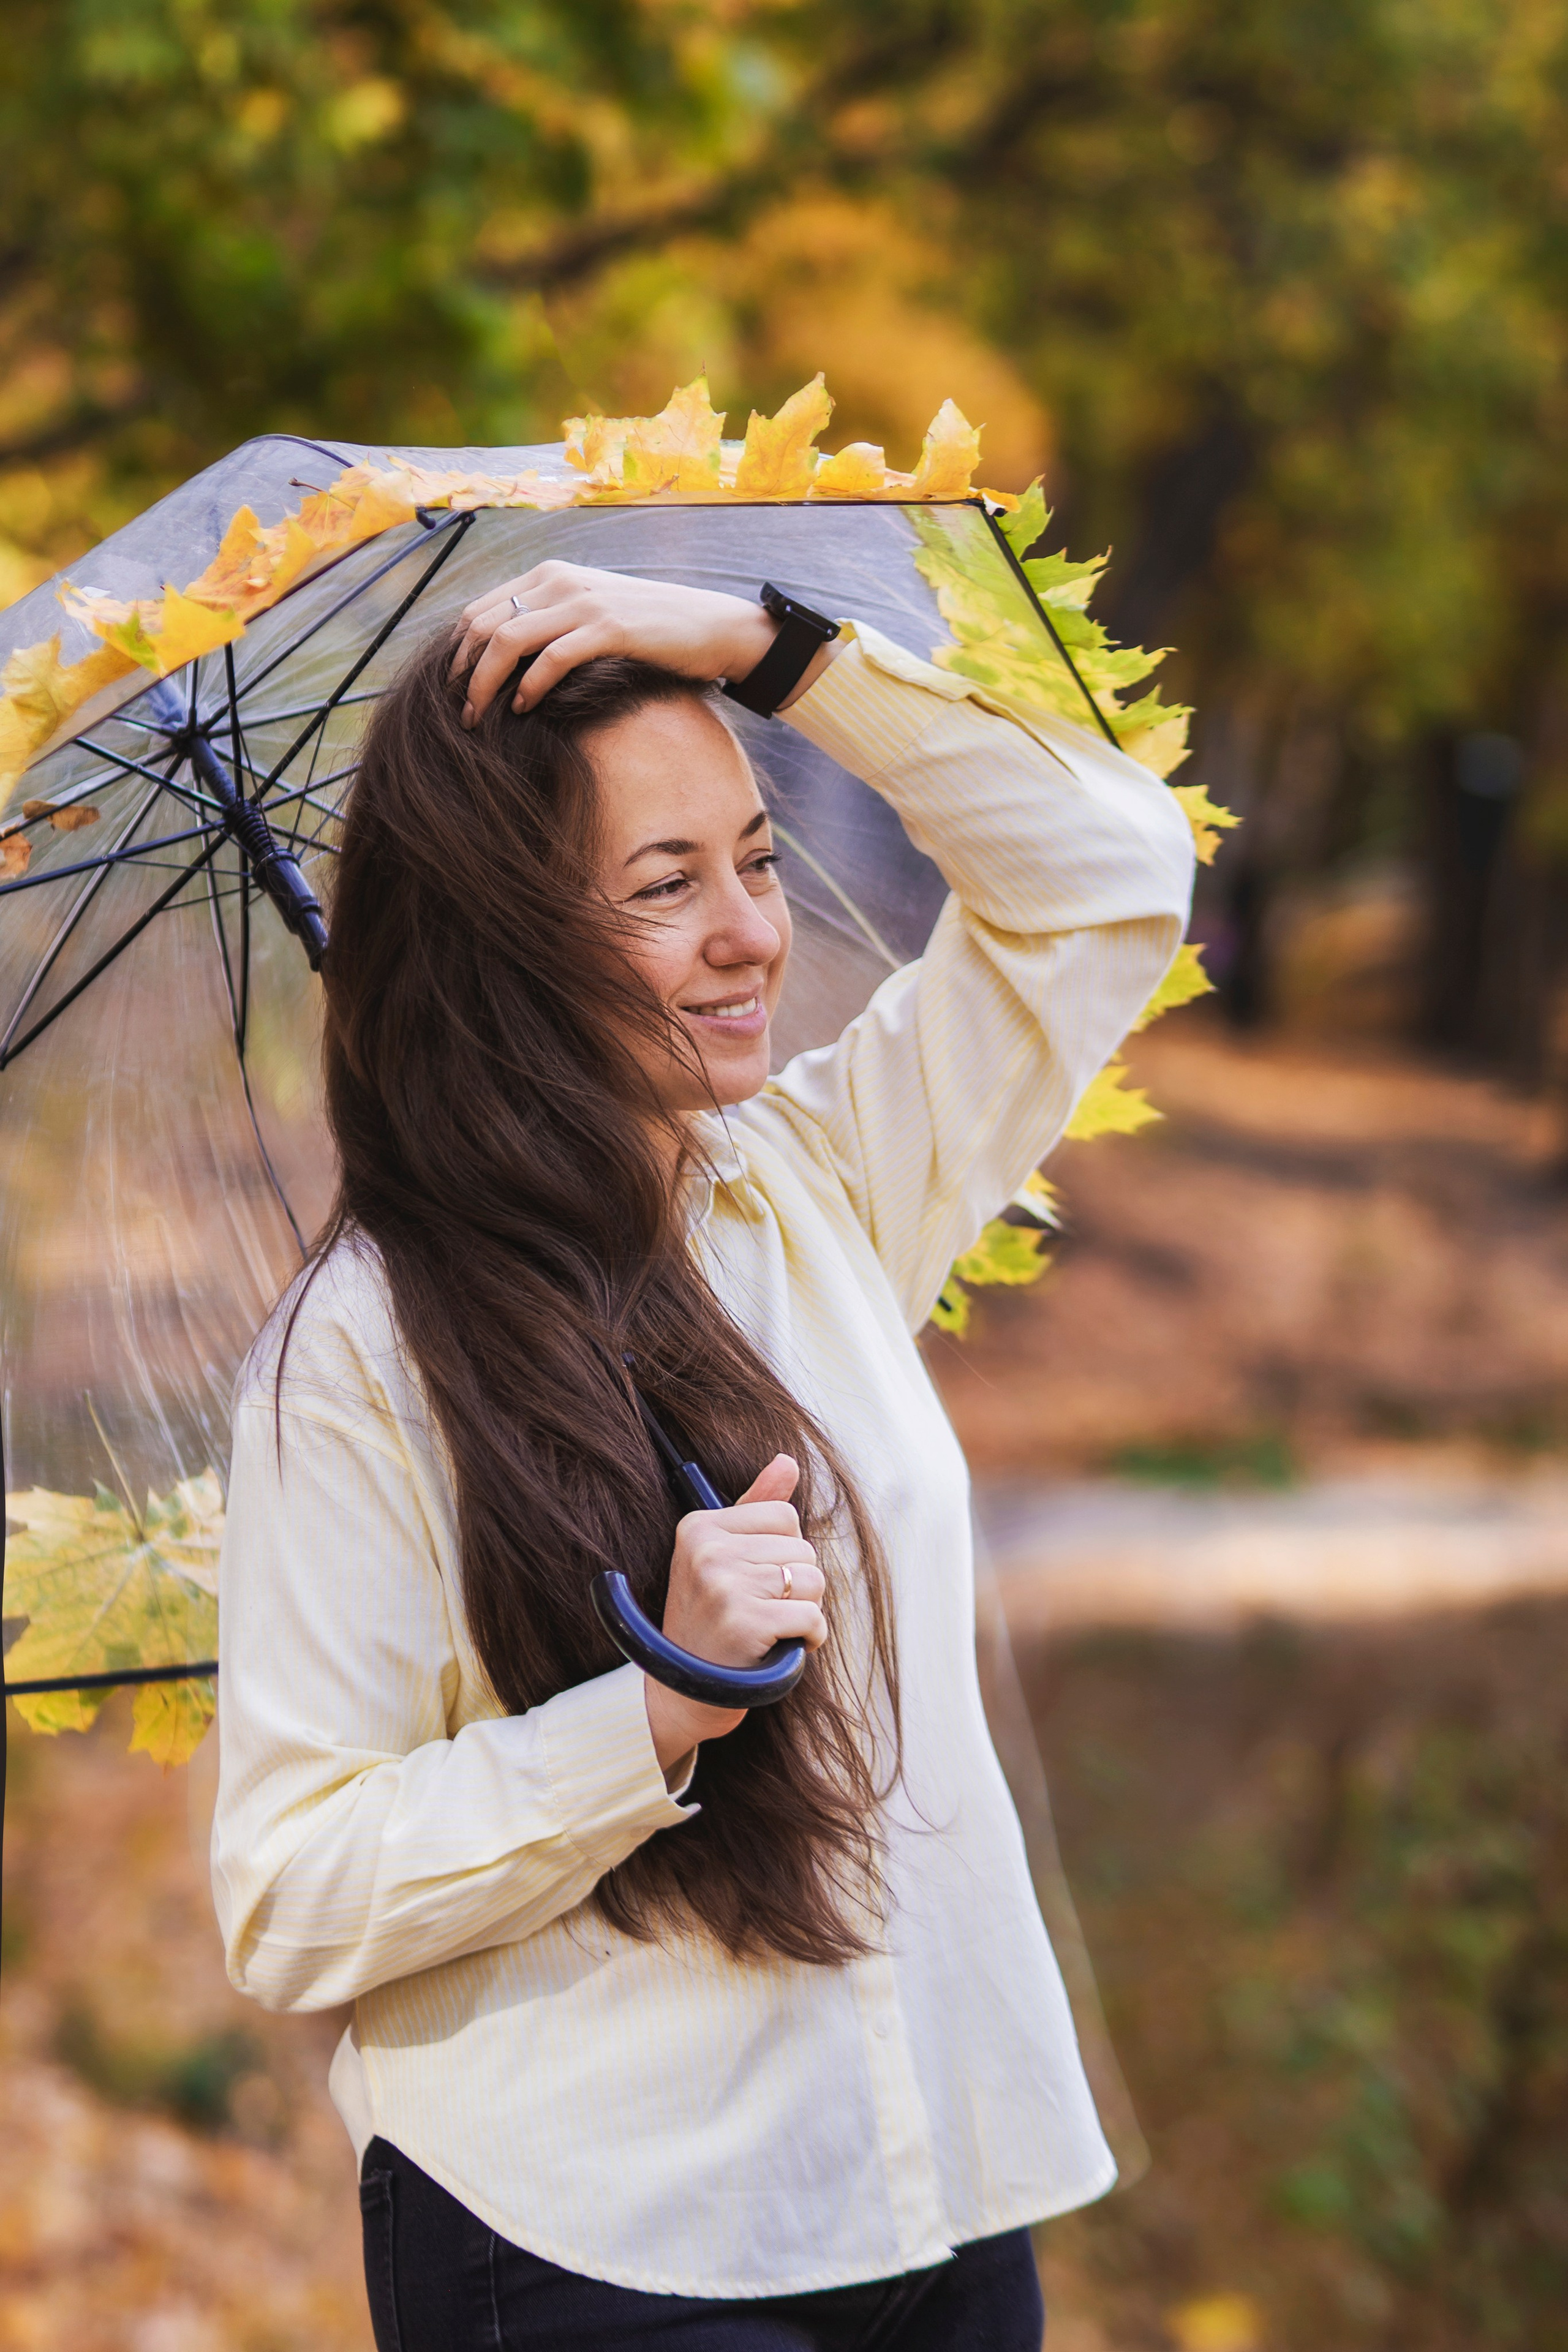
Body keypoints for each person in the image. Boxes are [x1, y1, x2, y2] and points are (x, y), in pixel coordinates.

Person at [211, 559, 1195, 2351]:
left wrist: (773, 648)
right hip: (602, 2242)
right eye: (666, 886)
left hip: (932, 2187)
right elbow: (288, 1897)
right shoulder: (358, 1355)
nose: (755, 933)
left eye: (755, 855)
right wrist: (652, 1708)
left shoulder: (815, 1188)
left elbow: (1114, 877)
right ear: (507, 939)